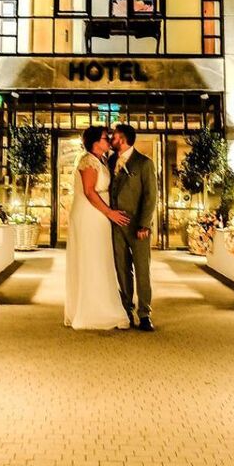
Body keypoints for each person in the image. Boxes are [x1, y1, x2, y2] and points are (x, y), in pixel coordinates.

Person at [64, 125, 132, 331]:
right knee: (92, 258)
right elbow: (89, 191)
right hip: (90, 214)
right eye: (105, 138)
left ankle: (101, 305)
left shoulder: (101, 160)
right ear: (94, 142)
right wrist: (110, 212)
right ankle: (92, 310)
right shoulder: (88, 161)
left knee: (100, 258)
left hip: (98, 214)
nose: (108, 140)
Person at [109, 122, 158, 331]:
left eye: (114, 136)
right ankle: (126, 309)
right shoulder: (110, 161)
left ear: (123, 139)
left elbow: (151, 196)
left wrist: (144, 224)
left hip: (138, 225)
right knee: (121, 268)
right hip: (115, 224)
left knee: (142, 269)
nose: (111, 139)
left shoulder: (144, 163)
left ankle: (145, 313)